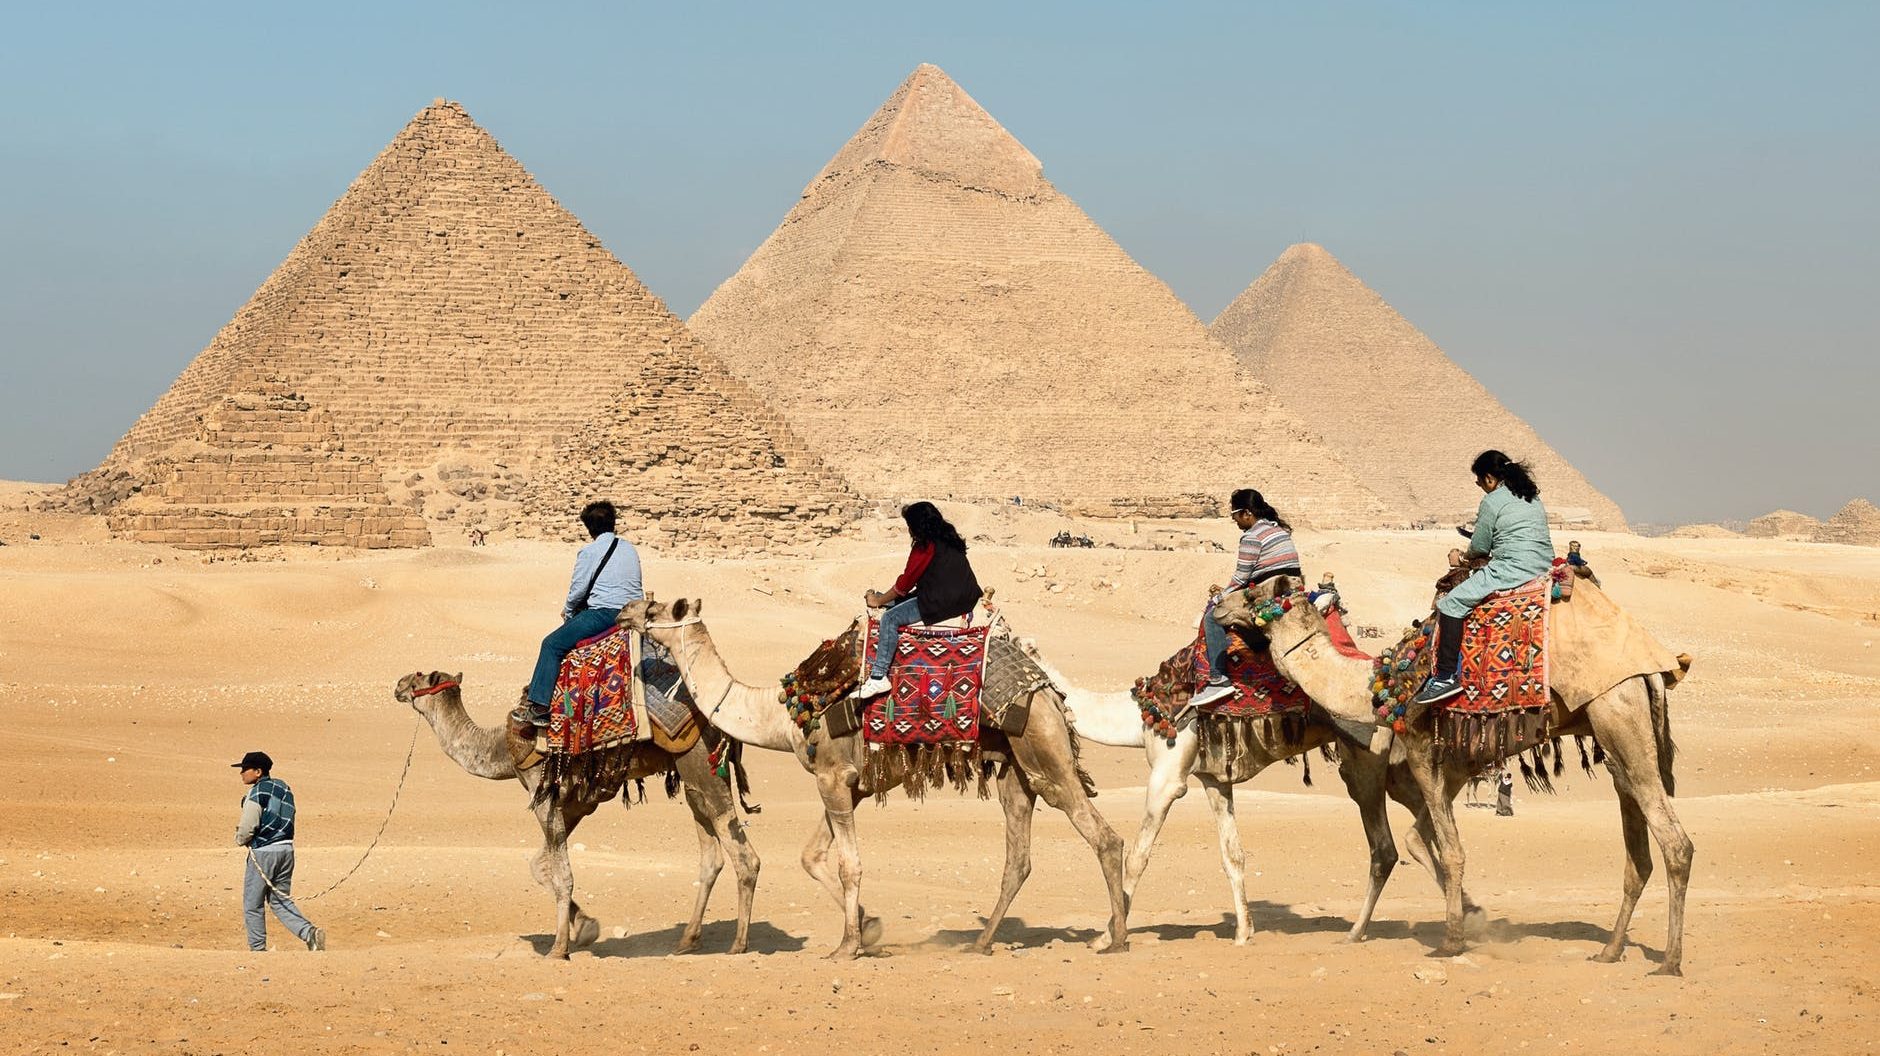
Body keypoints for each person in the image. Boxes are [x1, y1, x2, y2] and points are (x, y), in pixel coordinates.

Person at [1414, 450, 1554, 706]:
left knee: (1451, 603)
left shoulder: (1492, 500)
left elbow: (1480, 546)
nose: (1479, 486)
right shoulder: (1531, 497)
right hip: (1543, 565)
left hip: (1513, 568)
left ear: (1489, 478)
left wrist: (1463, 557)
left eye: (1479, 481)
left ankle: (1445, 678)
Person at [514, 501, 643, 727]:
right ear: (613, 523)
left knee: (552, 644)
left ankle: (540, 708)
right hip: (634, 614)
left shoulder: (589, 551)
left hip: (605, 615)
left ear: (589, 529)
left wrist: (570, 612)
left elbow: (578, 590)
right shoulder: (629, 548)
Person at [854, 502, 982, 699]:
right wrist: (885, 597)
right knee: (894, 602)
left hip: (941, 601)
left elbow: (904, 585)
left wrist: (878, 601)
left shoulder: (925, 546)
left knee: (889, 618)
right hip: (964, 596)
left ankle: (879, 676)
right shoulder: (948, 538)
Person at [1191, 489, 1304, 708]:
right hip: (1291, 589)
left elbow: (1241, 577)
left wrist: (1220, 598)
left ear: (1246, 513)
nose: (1235, 522)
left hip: (1270, 594)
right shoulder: (1278, 530)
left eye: (1235, 516)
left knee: (1213, 617)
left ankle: (1218, 679)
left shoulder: (1251, 537)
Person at [233, 751, 325, 952]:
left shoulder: (257, 792)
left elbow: (248, 825)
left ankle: (257, 950)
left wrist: (240, 839)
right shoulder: (284, 787)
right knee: (279, 900)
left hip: (264, 853)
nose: (241, 773)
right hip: (286, 850)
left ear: (258, 771)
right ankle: (309, 933)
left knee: (252, 903)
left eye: (245, 769)